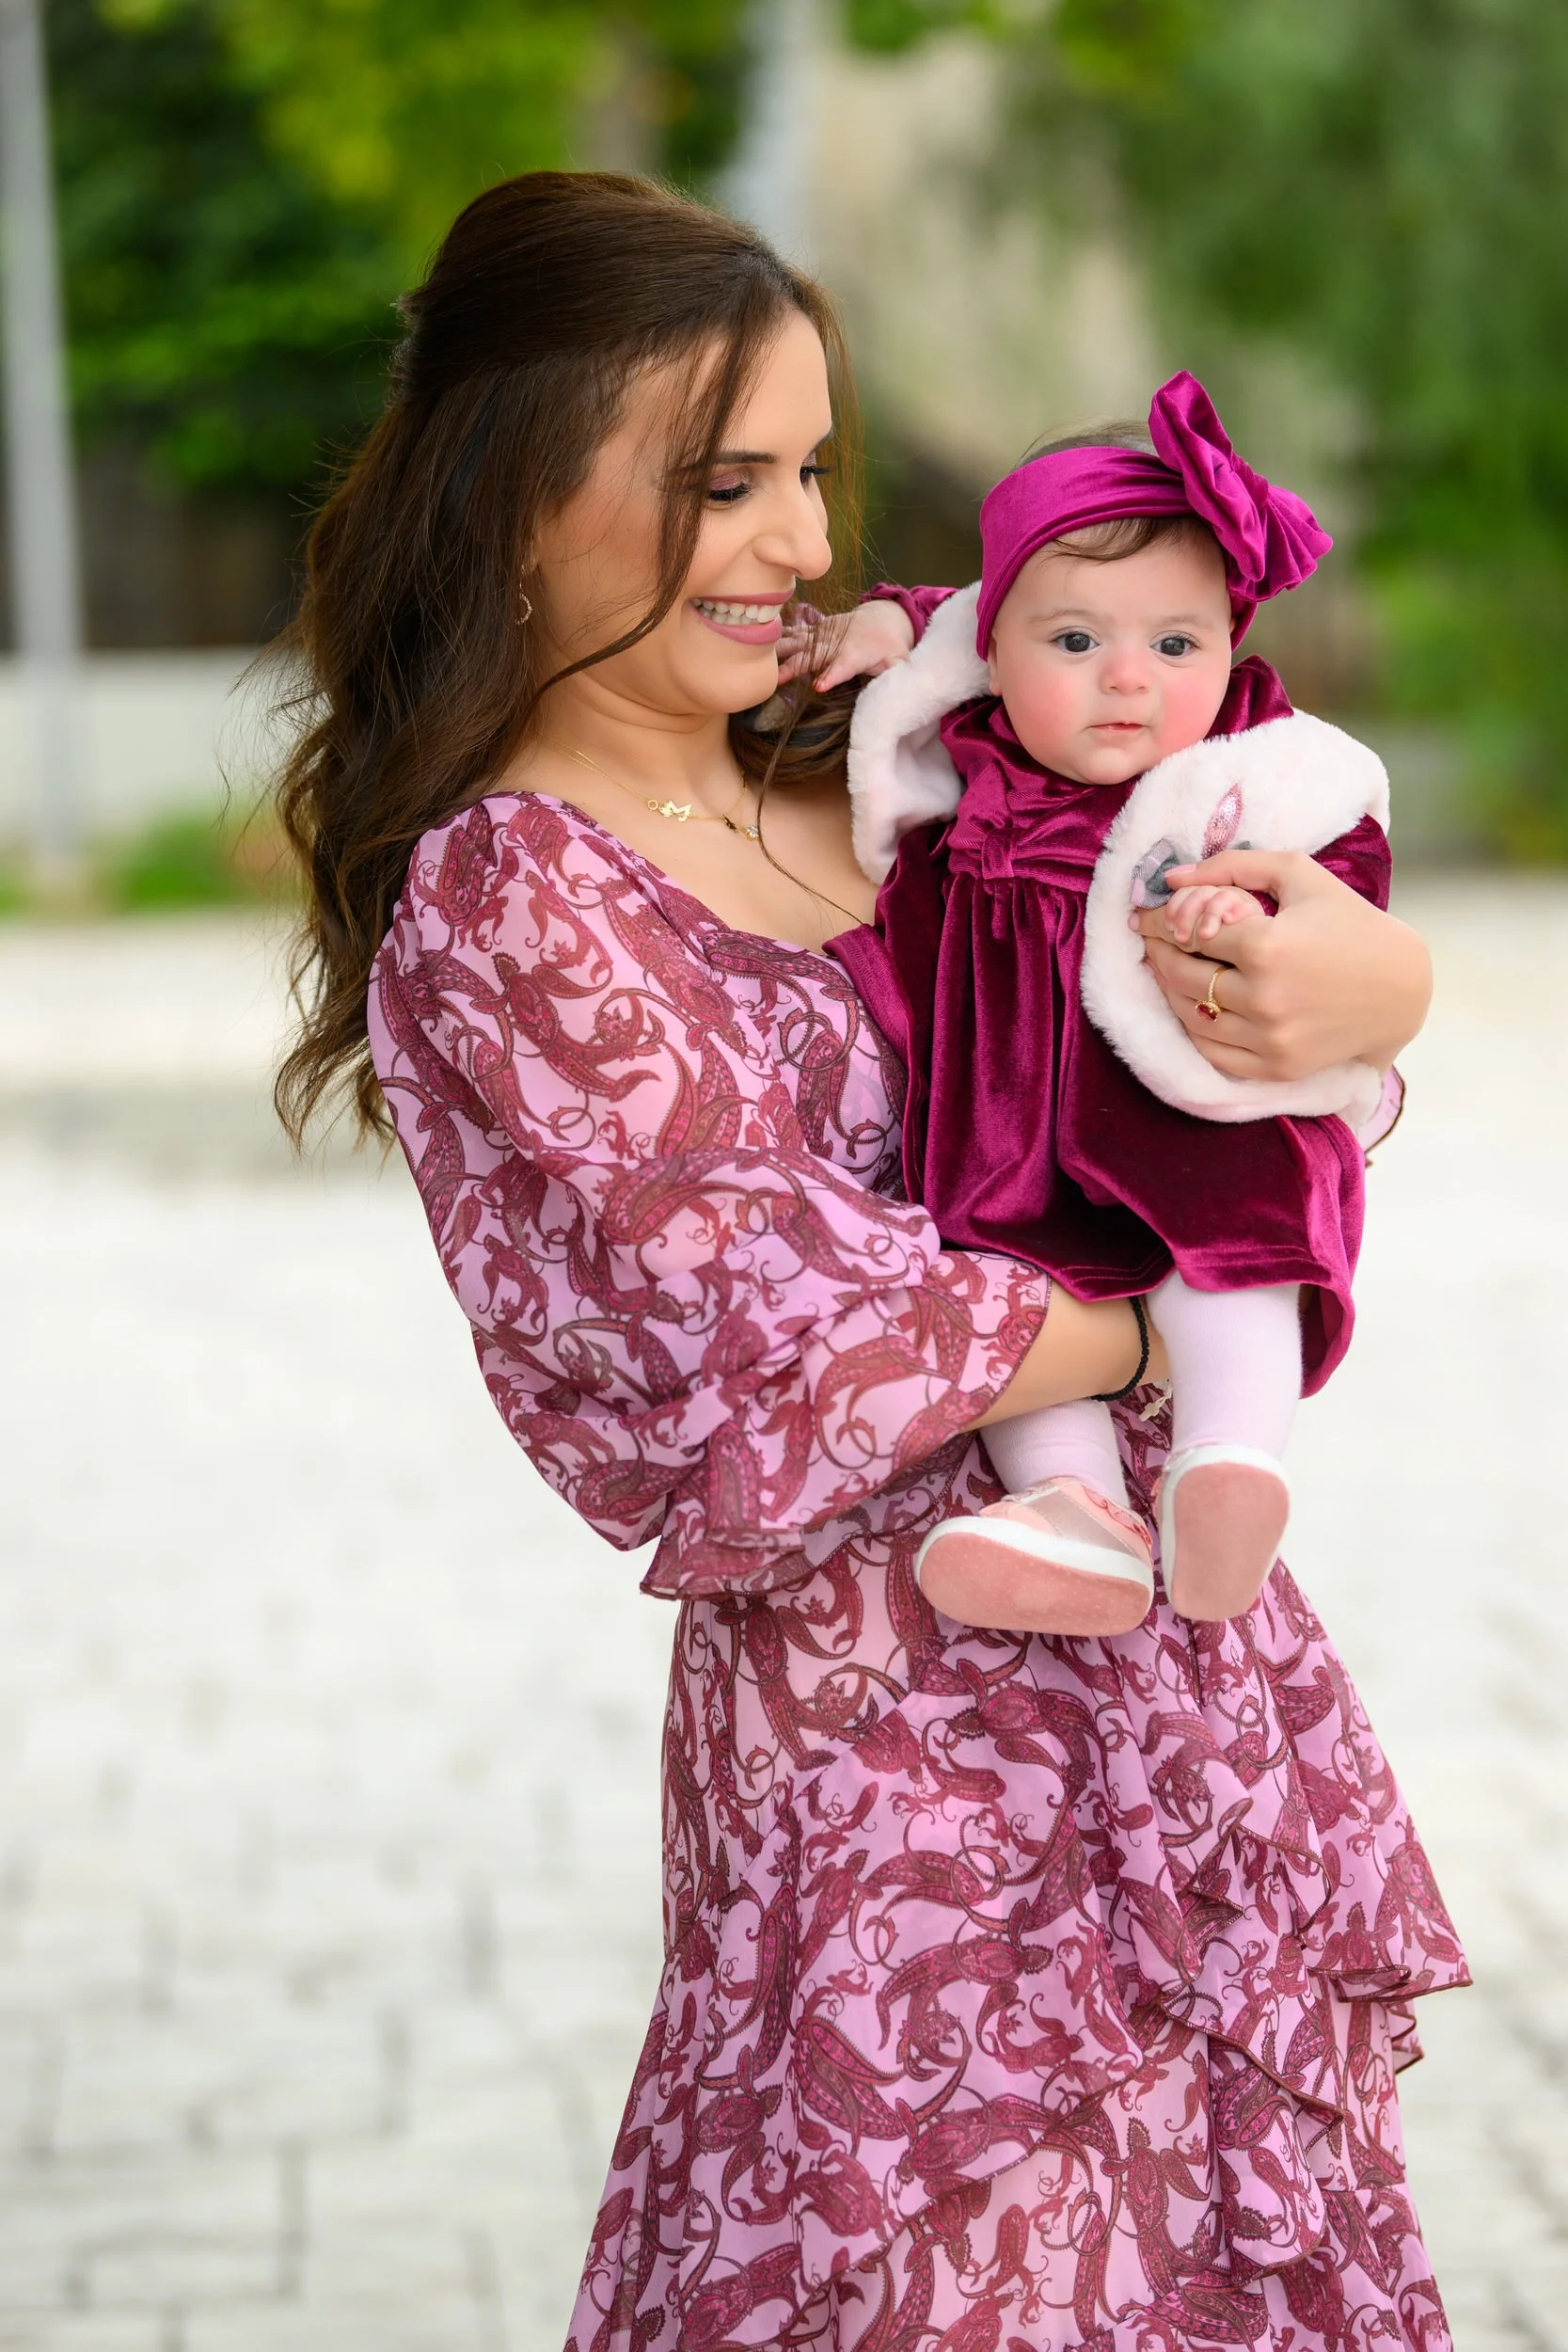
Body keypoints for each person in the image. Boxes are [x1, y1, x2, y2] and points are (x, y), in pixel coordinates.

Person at [272, 171, 1466, 2352]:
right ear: (512, 492)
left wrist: (1372, 990)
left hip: (1178, 1693)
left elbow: (1249, 878)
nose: (793, 543)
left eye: (808, 471)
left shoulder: (909, 729)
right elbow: (786, 1342)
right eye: (716, 482)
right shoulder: (511, 901)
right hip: (889, 1758)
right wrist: (1189, 1288)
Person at [827, 378, 1396, 1641]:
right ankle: (1071, 1507)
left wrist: (1248, 919)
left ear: (1228, 650)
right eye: (1073, 645)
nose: (1125, 680)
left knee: (1230, 1264)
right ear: (996, 646)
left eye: (1174, 647)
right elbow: (951, 619)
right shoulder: (969, 746)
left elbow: (1343, 883)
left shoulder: (1254, 769)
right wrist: (886, 617)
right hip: (1007, 1122)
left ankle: (1230, 1464)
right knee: (1004, 1290)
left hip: (1196, 1113)